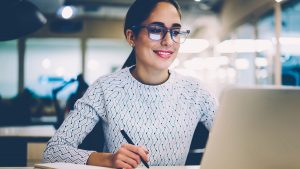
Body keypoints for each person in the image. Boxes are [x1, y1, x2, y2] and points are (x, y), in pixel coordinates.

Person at [43, 0, 217, 168]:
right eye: (156, 30)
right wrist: (106, 160)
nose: (168, 41)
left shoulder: (196, 92)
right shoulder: (106, 88)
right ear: (131, 36)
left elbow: (238, 141)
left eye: (175, 32)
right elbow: (53, 151)